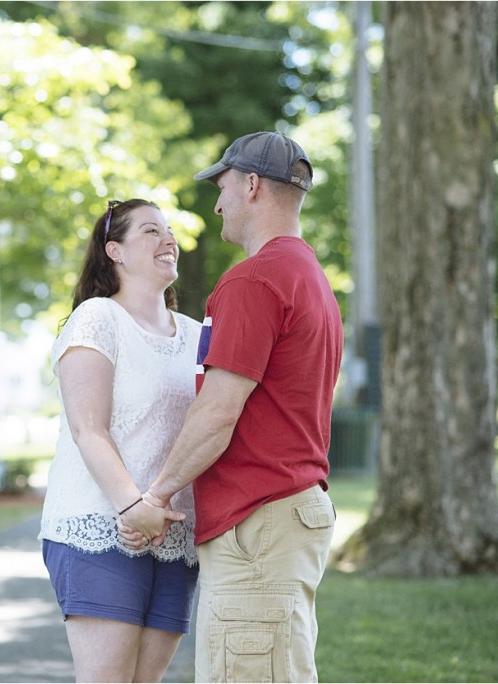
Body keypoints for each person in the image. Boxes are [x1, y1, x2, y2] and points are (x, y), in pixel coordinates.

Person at [120, 132, 343, 683]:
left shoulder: (254, 279)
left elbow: (219, 411)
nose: (216, 204)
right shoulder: (310, 277)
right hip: (286, 514)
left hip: (259, 524)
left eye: (221, 188)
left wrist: (157, 494)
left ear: (250, 185)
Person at [38, 198, 202, 683]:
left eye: (169, 231)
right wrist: (132, 506)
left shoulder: (196, 335)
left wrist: (158, 508)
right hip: (99, 525)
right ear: (115, 250)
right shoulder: (97, 318)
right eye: (151, 231)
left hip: (174, 533)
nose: (167, 239)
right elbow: (89, 428)